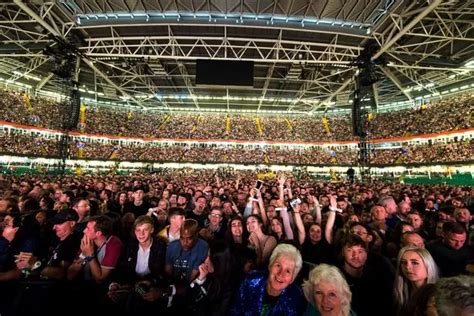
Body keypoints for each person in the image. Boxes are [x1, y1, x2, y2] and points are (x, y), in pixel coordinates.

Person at [229, 243, 306, 316]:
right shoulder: (250, 281)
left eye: (288, 271)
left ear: (292, 279)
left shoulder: (296, 298)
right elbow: (234, 311)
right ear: (270, 266)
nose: (280, 274)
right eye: (278, 265)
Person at [394, 246, 439, 313]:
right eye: (403, 262)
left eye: (415, 263)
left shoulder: (437, 295)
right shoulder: (400, 290)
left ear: (428, 266)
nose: (407, 267)